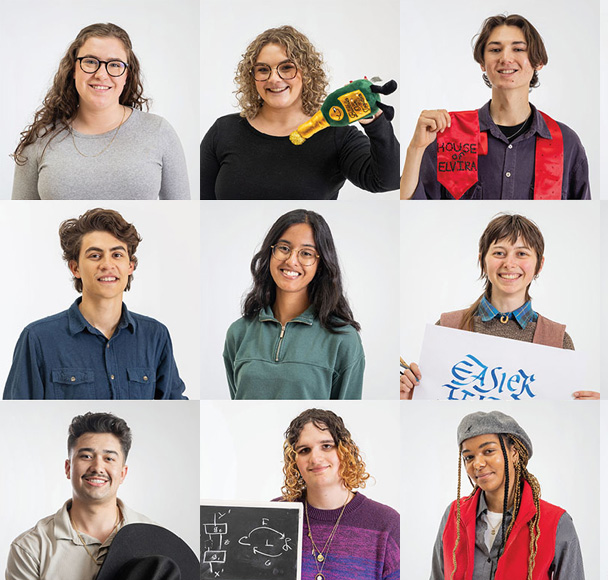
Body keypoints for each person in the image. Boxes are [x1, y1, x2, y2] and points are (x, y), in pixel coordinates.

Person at [400, 213, 598, 399]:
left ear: (540, 264)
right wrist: (409, 397)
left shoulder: (558, 340)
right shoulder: (447, 327)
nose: (509, 263)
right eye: (499, 253)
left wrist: (589, 409)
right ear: (482, 261)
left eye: (521, 253)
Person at [210, 408, 400, 580]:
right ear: (295, 461)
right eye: (304, 450)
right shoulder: (274, 516)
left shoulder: (386, 524)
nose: (315, 458)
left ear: (345, 451)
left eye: (326, 446)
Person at [401, 14, 590, 200]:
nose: (505, 58)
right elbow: (416, 204)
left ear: (538, 61)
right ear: (482, 63)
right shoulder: (452, 135)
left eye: (518, 49)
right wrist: (416, 149)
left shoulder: (566, 143)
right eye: (495, 50)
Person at [3, 208, 186, 399]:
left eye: (117, 255)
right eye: (95, 256)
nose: (107, 265)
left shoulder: (155, 336)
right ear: (75, 268)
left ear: (130, 266)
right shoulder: (38, 339)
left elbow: (175, 403)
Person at [200, 25, 400, 199]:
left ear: (308, 73)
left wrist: (373, 120)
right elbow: (203, 203)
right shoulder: (223, 131)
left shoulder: (338, 136)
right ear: (252, 77)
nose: (274, 79)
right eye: (263, 70)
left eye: (287, 67)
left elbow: (387, 181)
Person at [11, 23, 190, 200]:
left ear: (127, 74)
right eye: (90, 62)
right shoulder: (41, 138)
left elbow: (183, 213)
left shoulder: (158, 131)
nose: (102, 74)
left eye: (115, 64)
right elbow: (19, 218)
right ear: (73, 69)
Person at [428, 410, 585, 580]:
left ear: (514, 453)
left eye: (488, 451)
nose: (477, 464)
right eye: (469, 457)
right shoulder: (454, 514)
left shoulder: (556, 522)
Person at [4, 412, 156, 580]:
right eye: (86, 456)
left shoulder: (154, 536)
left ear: (123, 473)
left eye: (109, 458)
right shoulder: (30, 548)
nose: (97, 467)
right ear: (68, 468)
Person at [224, 209, 365, 399]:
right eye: (284, 248)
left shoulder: (343, 339)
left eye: (306, 253)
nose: (291, 260)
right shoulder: (239, 333)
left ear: (321, 263)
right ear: (270, 252)